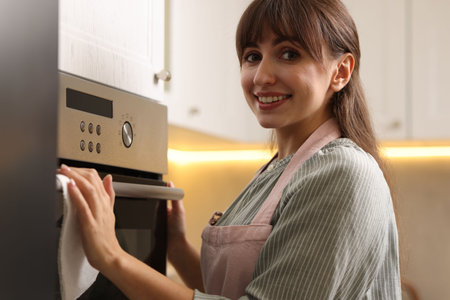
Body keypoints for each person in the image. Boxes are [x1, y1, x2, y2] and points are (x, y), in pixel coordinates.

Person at [58, 0, 401, 299]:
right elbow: (235, 292)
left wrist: (110, 256)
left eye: (289, 54)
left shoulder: (342, 173)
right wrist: (177, 248)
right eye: (253, 56)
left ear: (340, 71)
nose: (262, 76)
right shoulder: (277, 171)